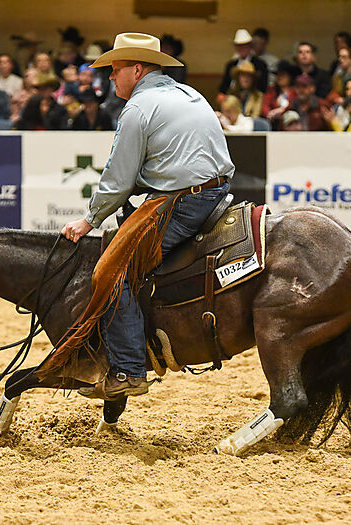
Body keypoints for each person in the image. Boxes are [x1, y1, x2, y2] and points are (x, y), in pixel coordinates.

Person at [61, 33, 234, 398]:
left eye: (115, 69)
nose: (110, 76)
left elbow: (117, 180)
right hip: (215, 191)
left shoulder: (138, 109)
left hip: (184, 202)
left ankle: (127, 370)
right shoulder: (189, 94)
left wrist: (89, 220)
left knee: (112, 270)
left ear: (137, 70)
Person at [217, 29, 268, 103]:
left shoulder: (260, 65)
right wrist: (222, 94)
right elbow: (224, 86)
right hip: (232, 99)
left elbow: (262, 88)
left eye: (245, 46)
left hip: (252, 99)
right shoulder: (231, 65)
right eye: (239, 46)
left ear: (250, 46)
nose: (242, 48)